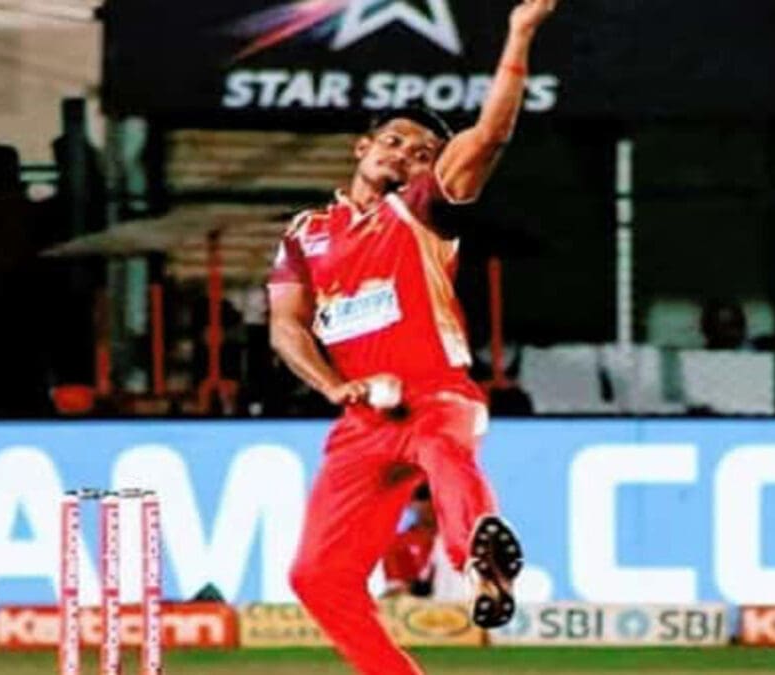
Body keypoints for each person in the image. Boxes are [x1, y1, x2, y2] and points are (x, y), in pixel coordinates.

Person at [267, 1, 558, 672]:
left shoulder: (420, 210)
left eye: (422, 153)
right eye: (394, 141)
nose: (405, 155)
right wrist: (334, 385)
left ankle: (481, 562)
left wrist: (518, 35)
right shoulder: (307, 233)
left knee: (444, 449)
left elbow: (489, 136)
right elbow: (286, 324)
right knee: (317, 576)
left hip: (435, 395)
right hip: (361, 418)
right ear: (363, 148)